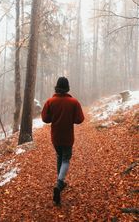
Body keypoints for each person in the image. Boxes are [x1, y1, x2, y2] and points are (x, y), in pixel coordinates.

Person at [41, 77, 84, 205]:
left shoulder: (50, 101)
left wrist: (54, 116)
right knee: (65, 159)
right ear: (67, 87)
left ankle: (59, 181)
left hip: (55, 137)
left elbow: (45, 119)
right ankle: (59, 184)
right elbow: (79, 119)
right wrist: (69, 117)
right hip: (68, 137)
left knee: (59, 156)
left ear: (57, 87)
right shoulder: (74, 102)